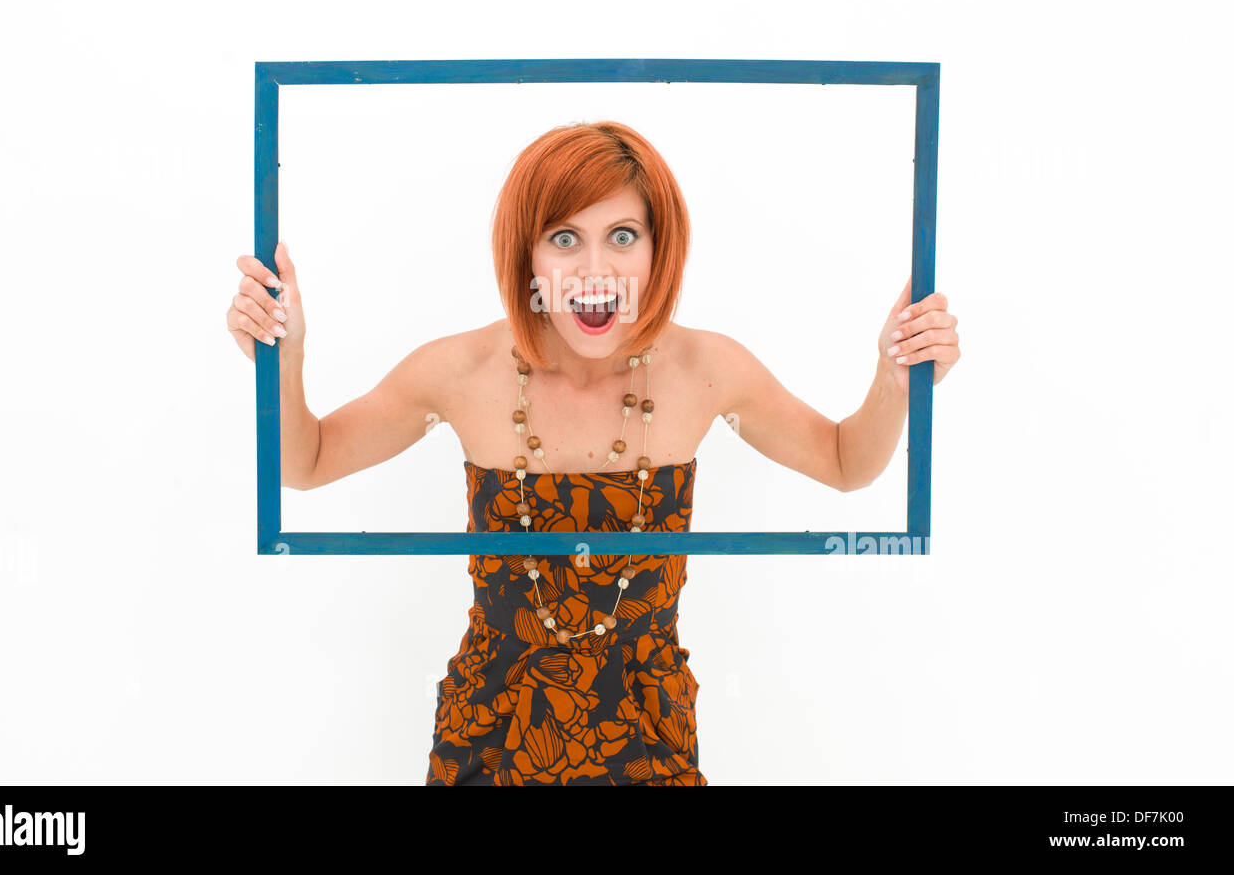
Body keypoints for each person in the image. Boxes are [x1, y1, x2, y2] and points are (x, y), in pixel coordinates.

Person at [226, 121, 962, 785]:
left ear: (657, 248)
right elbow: (308, 462)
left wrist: (896, 377)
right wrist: (284, 362)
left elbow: (844, 462)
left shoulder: (706, 367)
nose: (593, 270)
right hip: (491, 728)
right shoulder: (460, 370)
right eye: (564, 238)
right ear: (528, 254)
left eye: (622, 236)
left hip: (648, 729)